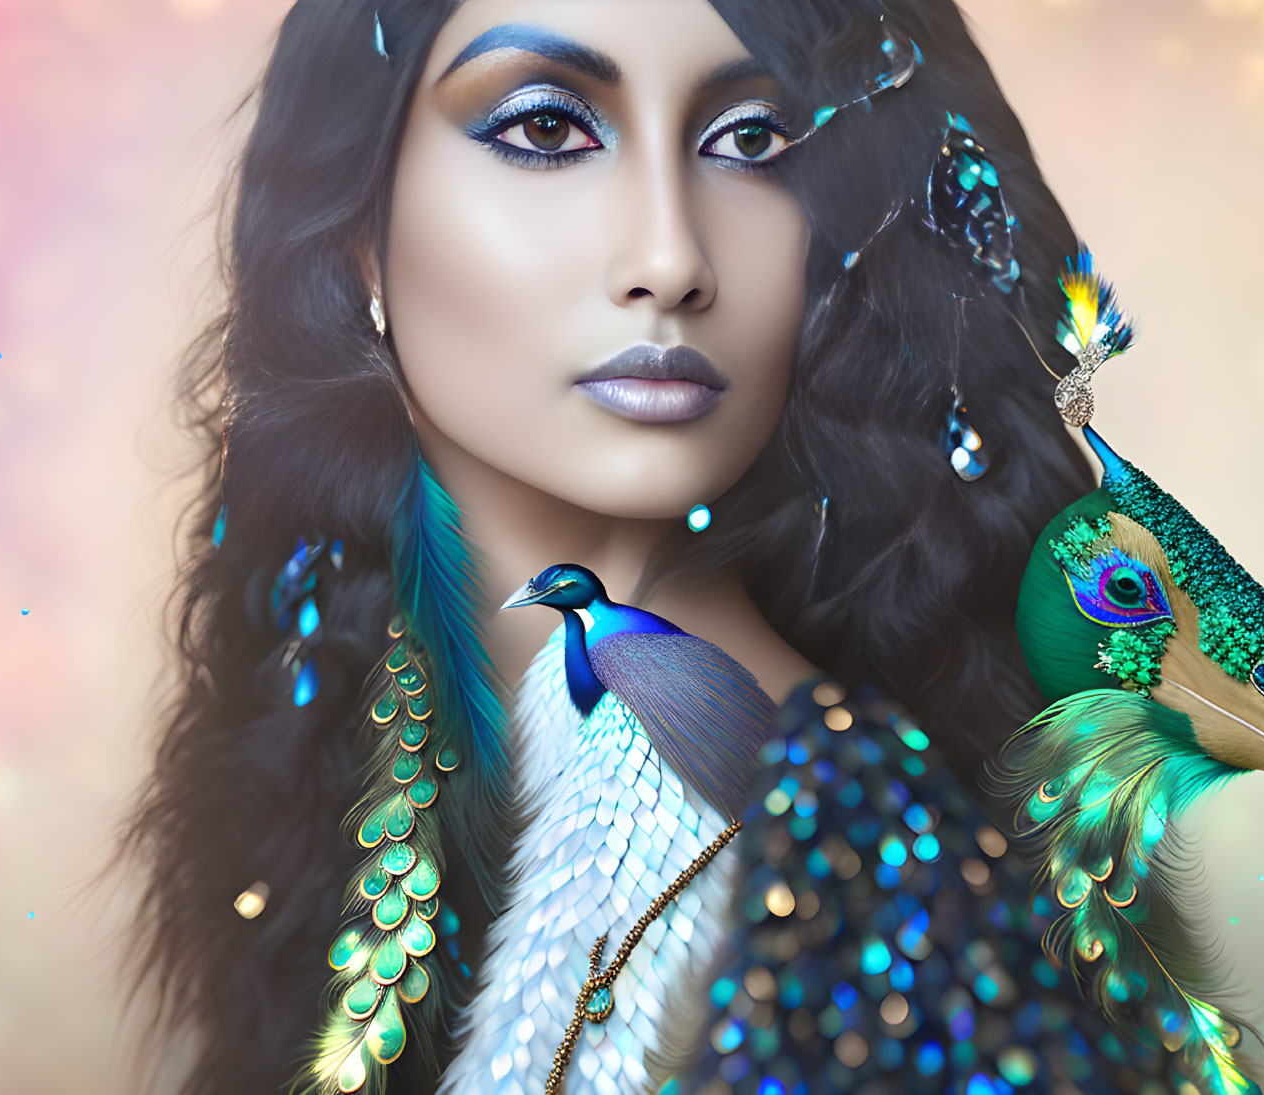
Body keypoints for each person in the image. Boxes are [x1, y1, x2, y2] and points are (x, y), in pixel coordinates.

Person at [101, 1, 1188, 1092]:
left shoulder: (861, 852)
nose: (671, 260)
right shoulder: (346, 731)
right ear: (357, 230)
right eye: (544, 130)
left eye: (754, 142)